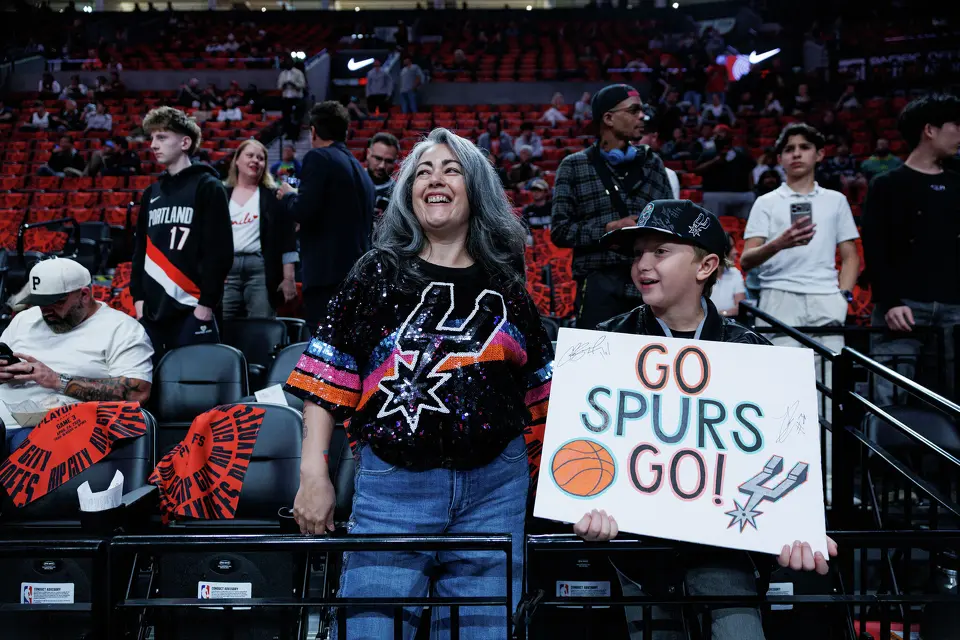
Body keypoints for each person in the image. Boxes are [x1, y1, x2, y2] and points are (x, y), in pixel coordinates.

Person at [285, 128, 553, 640]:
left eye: (451, 169)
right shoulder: (376, 272)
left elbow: (540, 389)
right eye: (423, 171)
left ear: (476, 189)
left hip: (496, 489)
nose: (435, 179)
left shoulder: (506, 282)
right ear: (408, 192)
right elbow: (326, 377)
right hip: (393, 489)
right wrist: (313, 475)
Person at [583, 199, 838, 640]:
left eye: (660, 252)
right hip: (637, 553)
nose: (642, 264)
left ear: (706, 267)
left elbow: (780, 456)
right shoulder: (604, 343)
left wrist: (798, 524)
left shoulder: (753, 352)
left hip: (727, 550)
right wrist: (582, 503)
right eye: (638, 253)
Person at [740, 124, 860, 417]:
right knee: (782, 395)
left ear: (819, 154)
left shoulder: (836, 200)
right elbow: (746, 259)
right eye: (789, 149)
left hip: (826, 298)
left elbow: (851, 256)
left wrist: (842, 296)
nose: (796, 154)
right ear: (780, 158)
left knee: (829, 397)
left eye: (804, 147)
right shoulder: (766, 202)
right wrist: (780, 243)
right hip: (778, 299)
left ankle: (828, 465)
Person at [862, 93, 960, 405]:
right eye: (955, 126)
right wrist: (890, 301)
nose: (959, 134)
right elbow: (875, 248)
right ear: (929, 130)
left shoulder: (958, 183)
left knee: (950, 403)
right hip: (902, 308)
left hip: (954, 309)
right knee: (889, 403)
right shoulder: (887, 184)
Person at [551, 83, 673, 330]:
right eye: (633, 110)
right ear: (608, 118)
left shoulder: (653, 164)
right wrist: (611, 228)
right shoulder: (573, 166)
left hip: (649, 282)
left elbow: (671, 223)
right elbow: (560, 231)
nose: (642, 116)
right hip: (598, 284)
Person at [130, 106, 233, 362]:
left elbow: (219, 251)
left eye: (162, 137)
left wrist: (207, 303)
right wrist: (138, 299)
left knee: (193, 388)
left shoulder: (208, 187)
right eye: (152, 138)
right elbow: (140, 250)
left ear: (185, 142)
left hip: (193, 307)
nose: (153, 145)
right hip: (152, 310)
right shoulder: (151, 192)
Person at [0, 259, 153, 429]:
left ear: (84, 295)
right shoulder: (24, 319)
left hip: (60, 429)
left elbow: (139, 394)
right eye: (40, 302)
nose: (45, 310)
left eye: (56, 302)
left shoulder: (123, 329)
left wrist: (59, 380)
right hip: (4, 418)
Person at [277, 101, 375, 330]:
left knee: (324, 355)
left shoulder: (319, 158)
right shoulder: (360, 170)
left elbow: (302, 210)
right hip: (358, 276)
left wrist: (289, 195)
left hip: (327, 277)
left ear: (313, 131)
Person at [222, 139, 299, 320]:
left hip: (260, 270)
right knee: (224, 327)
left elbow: (287, 240)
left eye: (261, 158)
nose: (255, 160)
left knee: (261, 326)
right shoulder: (221, 193)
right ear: (237, 160)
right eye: (250, 155)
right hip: (226, 270)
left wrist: (288, 278)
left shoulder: (273, 196)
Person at [695, 124, 757, 219]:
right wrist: (715, 161)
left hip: (740, 194)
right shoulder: (708, 154)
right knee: (713, 224)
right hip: (715, 193)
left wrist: (751, 191)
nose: (720, 138)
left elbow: (750, 173)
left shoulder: (742, 154)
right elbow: (697, 171)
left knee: (745, 219)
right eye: (717, 135)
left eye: (723, 135)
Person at [711, 232, 746, 317]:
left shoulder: (735, 273)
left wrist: (720, 315)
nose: (736, 251)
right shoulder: (700, 276)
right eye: (731, 247)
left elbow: (740, 308)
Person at [366, 131, 400, 216]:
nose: (382, 166)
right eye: (378, 158)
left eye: (388, 161)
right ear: (368, 154)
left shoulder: (398, 194)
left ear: (395, 161)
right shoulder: (351, 181)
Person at [277, 60, 306, 141]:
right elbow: (279, 86)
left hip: (296, 98)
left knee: (296, 117)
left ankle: (296, 135)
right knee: (286, 117)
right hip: (286, 98)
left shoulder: (298, 73)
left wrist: (294, 84)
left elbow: (303, 85)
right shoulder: (282, 74)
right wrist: (284, 85)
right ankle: (288, 134)